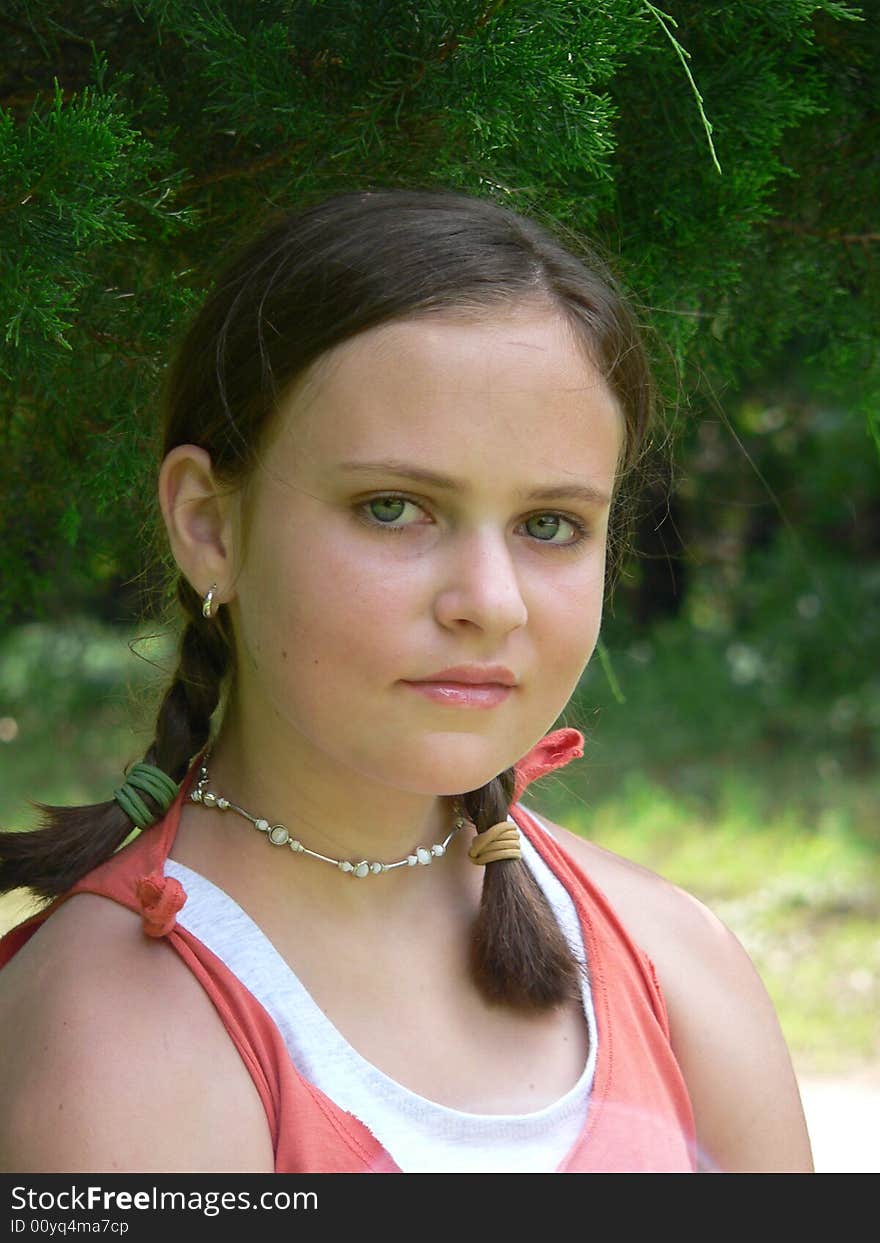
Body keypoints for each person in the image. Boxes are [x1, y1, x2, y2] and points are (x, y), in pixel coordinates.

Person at [0, 186, 813, 1174]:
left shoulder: (667, 958)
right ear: (210, 525)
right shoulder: (117, 1037)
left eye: (548, 524)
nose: (490, 601)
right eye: (394, 508)